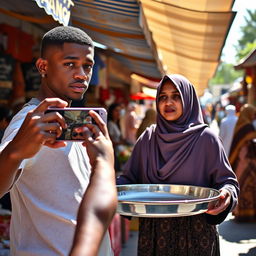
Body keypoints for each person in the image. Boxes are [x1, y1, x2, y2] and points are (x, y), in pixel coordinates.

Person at [0, 26, 116, 256]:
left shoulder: (72, 120)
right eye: (70, 64)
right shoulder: (30, 120)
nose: (82, 74)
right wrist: (14, 152)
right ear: (43, 66)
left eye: (88, 65)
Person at [117, 74, 239, 256]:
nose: (168, 103)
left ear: (188, 100)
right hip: (154, 234)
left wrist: (226, 194)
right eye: (163, 97)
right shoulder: (148, 139)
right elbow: (128, 179)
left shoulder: (206, 139)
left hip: (196, 233)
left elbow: (227, 181)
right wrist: (109, 188)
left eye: (176, 96)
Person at [229, 104, 256, 222]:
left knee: (243, 186)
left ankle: (240, 212)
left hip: (241, 162)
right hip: (248, 162)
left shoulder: (240, 125)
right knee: (249, 187)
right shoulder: (248, 127)